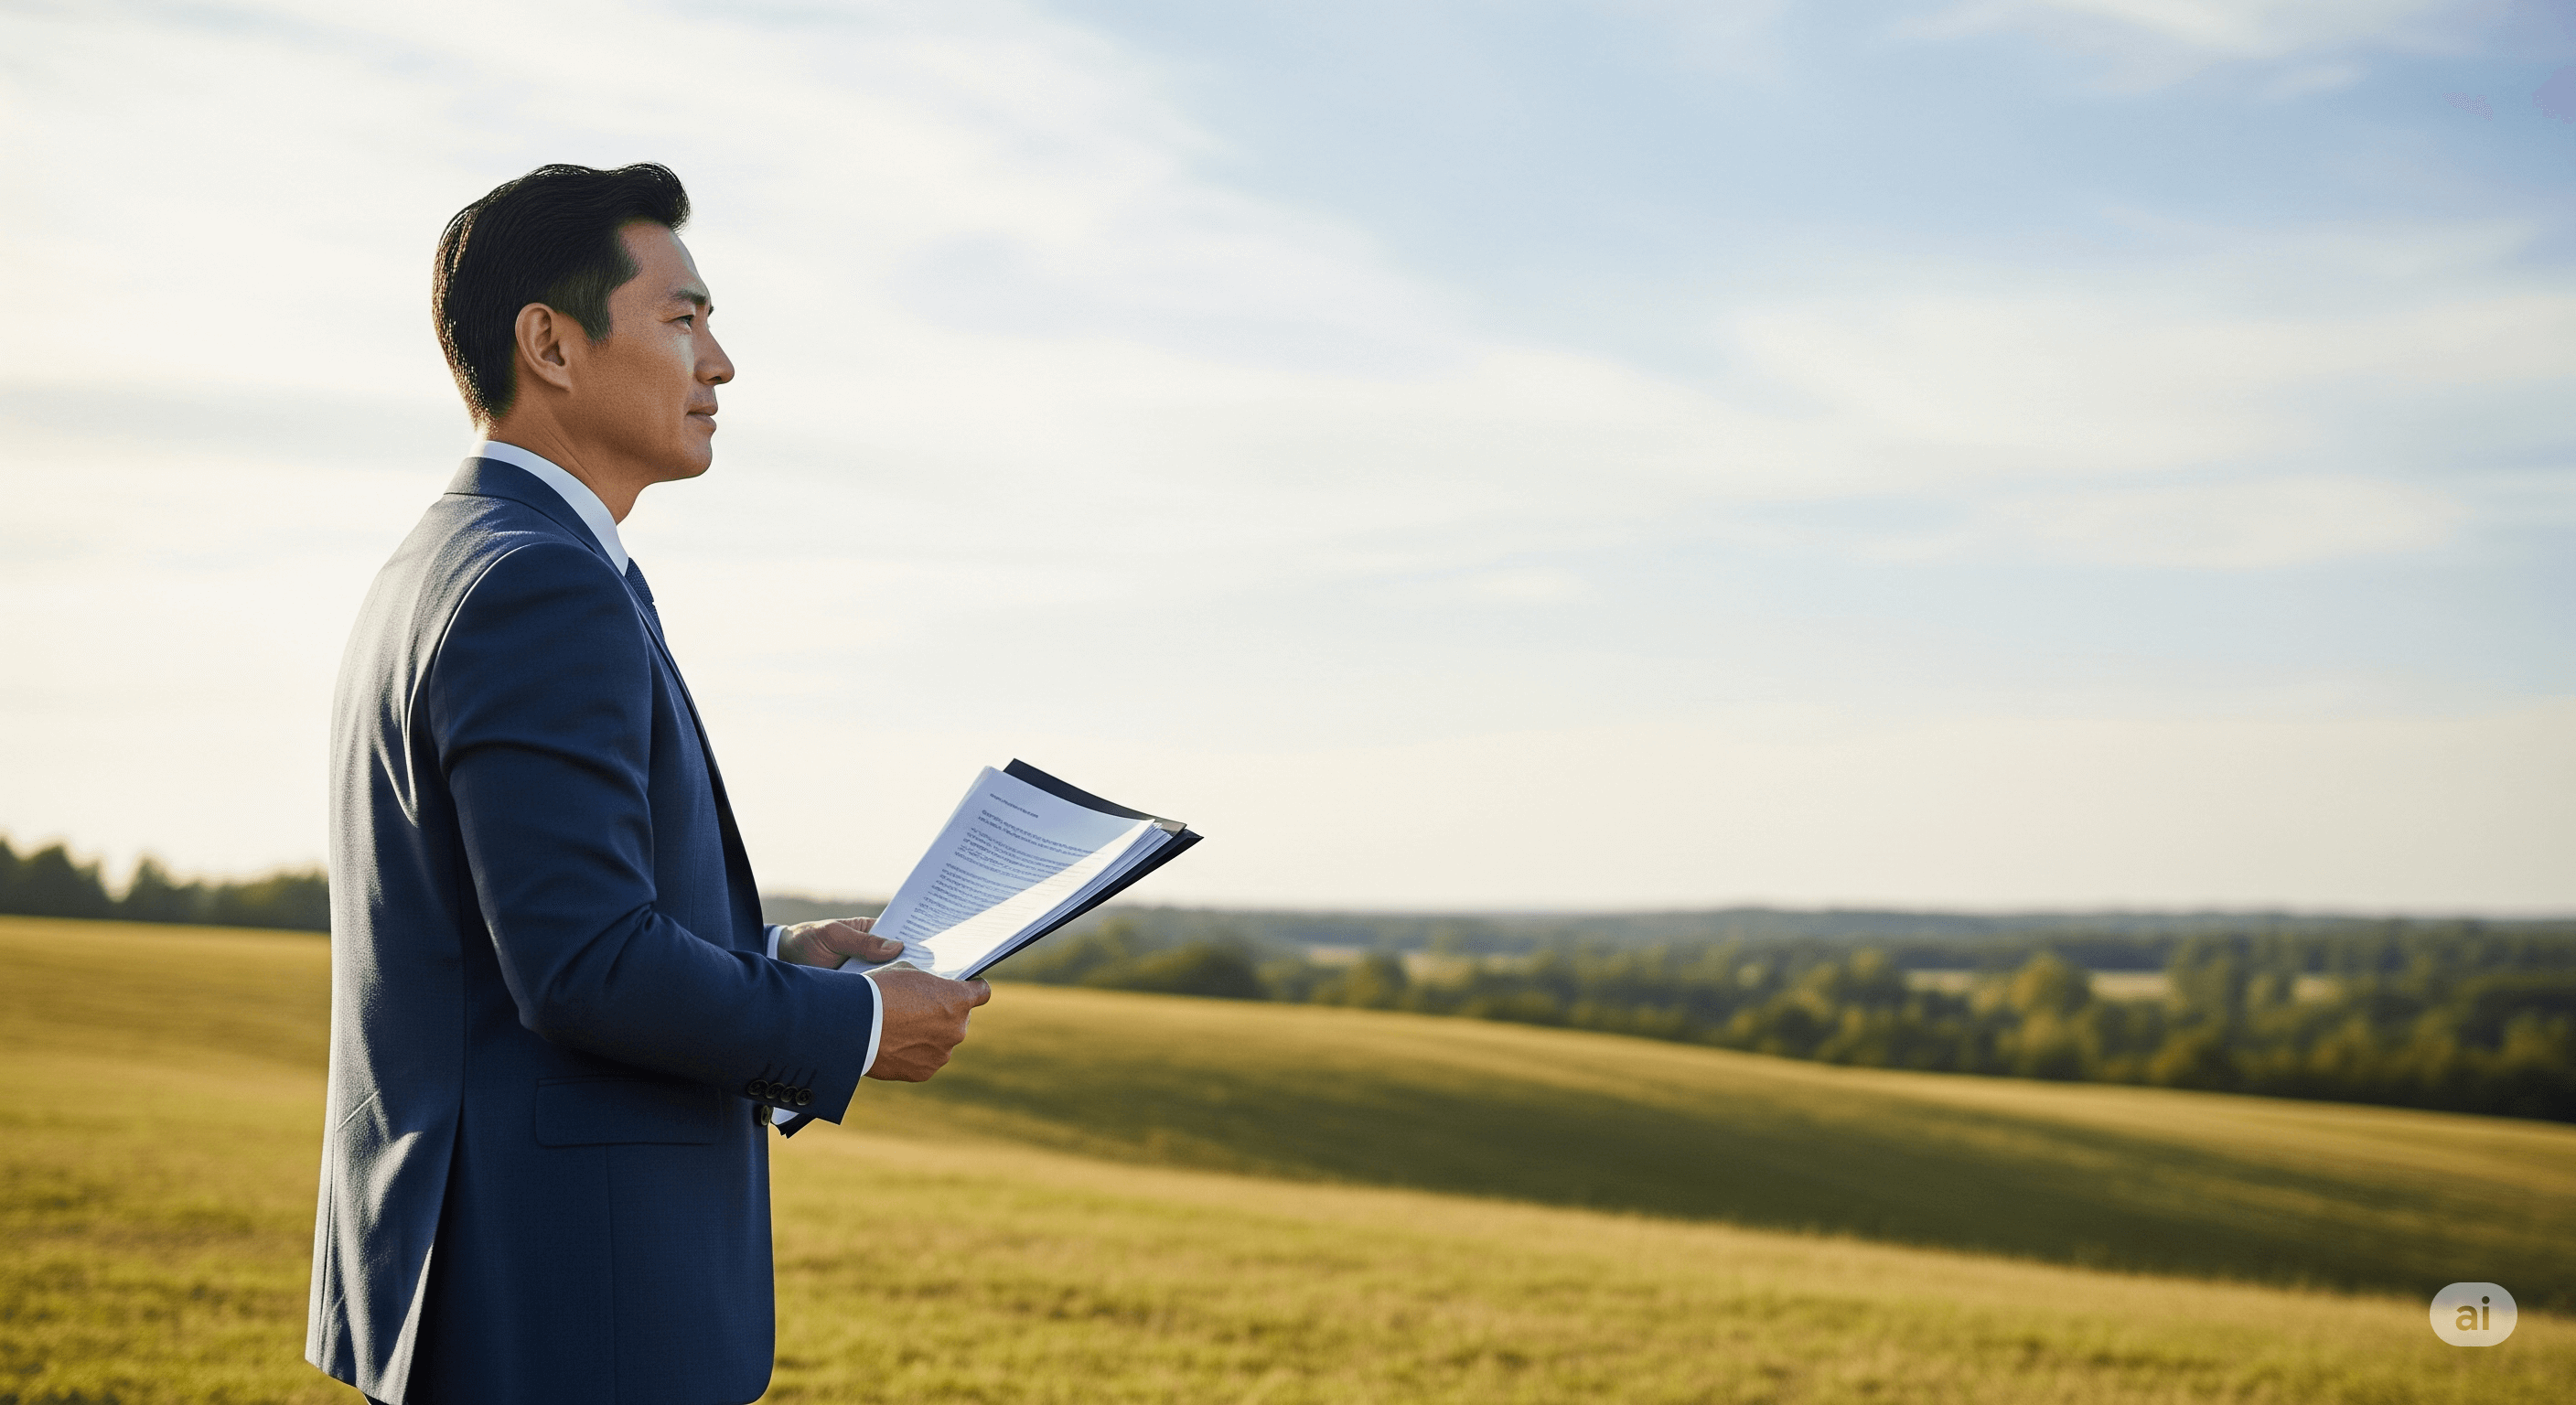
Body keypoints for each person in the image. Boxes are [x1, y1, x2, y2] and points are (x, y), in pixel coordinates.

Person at [306, 163, 991, 1405]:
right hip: (567, 1302)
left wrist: (778, 958)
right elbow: (582, 967)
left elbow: (518, 930)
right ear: (551, 346)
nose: (719, 362)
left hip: (503, 1283)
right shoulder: (539, 581)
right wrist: (857, 1025)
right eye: (683, 319)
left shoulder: (459, 556)